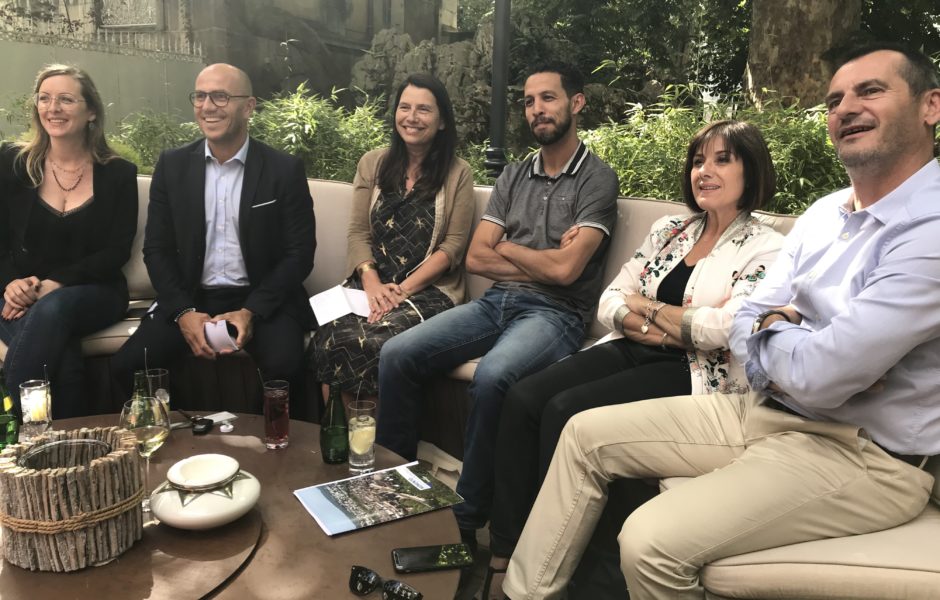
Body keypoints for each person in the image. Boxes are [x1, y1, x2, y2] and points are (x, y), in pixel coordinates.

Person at [504, 40, 940, 600]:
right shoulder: (823, 214)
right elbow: (751, 326)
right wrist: (793, 338)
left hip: (865, 453)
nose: (846, 108)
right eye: (834, 99)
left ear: (930, 105)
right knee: (582, 432)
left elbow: (815, 369)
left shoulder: (928, 229)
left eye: (871, 91)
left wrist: (778, 336)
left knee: (648, 540)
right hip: (762, 410)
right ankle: (525, 592)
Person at [483, 120, 784, 598]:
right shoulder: (671, 230)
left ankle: (575, 568)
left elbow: (722, 330)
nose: (704, 171)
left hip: (696, 373)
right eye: (699, 161)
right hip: (635, 347)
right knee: (524, 397)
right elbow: (610, 301)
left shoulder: (769, 246)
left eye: (722, 160)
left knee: (566, 411)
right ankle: (508, 548)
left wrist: (647, 311)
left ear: (752, 170)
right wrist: (663, 325)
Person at [376, 62, 619, 557]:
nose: (537, 110)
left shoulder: (597, 179)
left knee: (493, 378)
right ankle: (395, 495)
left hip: (556, 316)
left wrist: (511, 249)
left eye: (548, 98)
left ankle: (465, 520)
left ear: (576, 104)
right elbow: (477, 256)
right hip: (495, 304)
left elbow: (567, 274)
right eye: (529, 101)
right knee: (397, 354)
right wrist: (541, 258)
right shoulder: (515, 173)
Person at [112, 63, 315, 406]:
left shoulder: (283, 169)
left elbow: (299, 253)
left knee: (286, 368)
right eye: (200, 96)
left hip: (263, 297)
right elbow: (157, 250)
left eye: (220, 96)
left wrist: (251, 311)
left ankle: (265, 450)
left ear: (248, 106)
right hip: (192, 295)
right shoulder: (173, 166)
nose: (207, 106)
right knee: (129, 366)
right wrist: (183, 312)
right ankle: (181, 438)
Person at [311, 73, 474, 404]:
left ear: (442, 121)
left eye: (424, 109)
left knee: (376, 342)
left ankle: (375, 448)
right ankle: (336, 436)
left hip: (428, 291)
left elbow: (452, 248)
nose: (412, 117)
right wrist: (372, 284)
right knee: (330, 334)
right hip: (370, 286)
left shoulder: (458, 173)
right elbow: (358, 232)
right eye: (405, 107)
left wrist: (401, 291)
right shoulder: (373, 163)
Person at [0, 64, 137, 419]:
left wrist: (56, 283)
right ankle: (70, 456)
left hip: (94, 291)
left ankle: (28, 434)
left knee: (54, 308)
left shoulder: (118, 173)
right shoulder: (12, 163)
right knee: (65, 359)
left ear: (91, 111)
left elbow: (116, 250)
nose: (52, 108)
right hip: (20, 295)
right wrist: (12, 282)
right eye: (44, 99)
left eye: (65, 99)